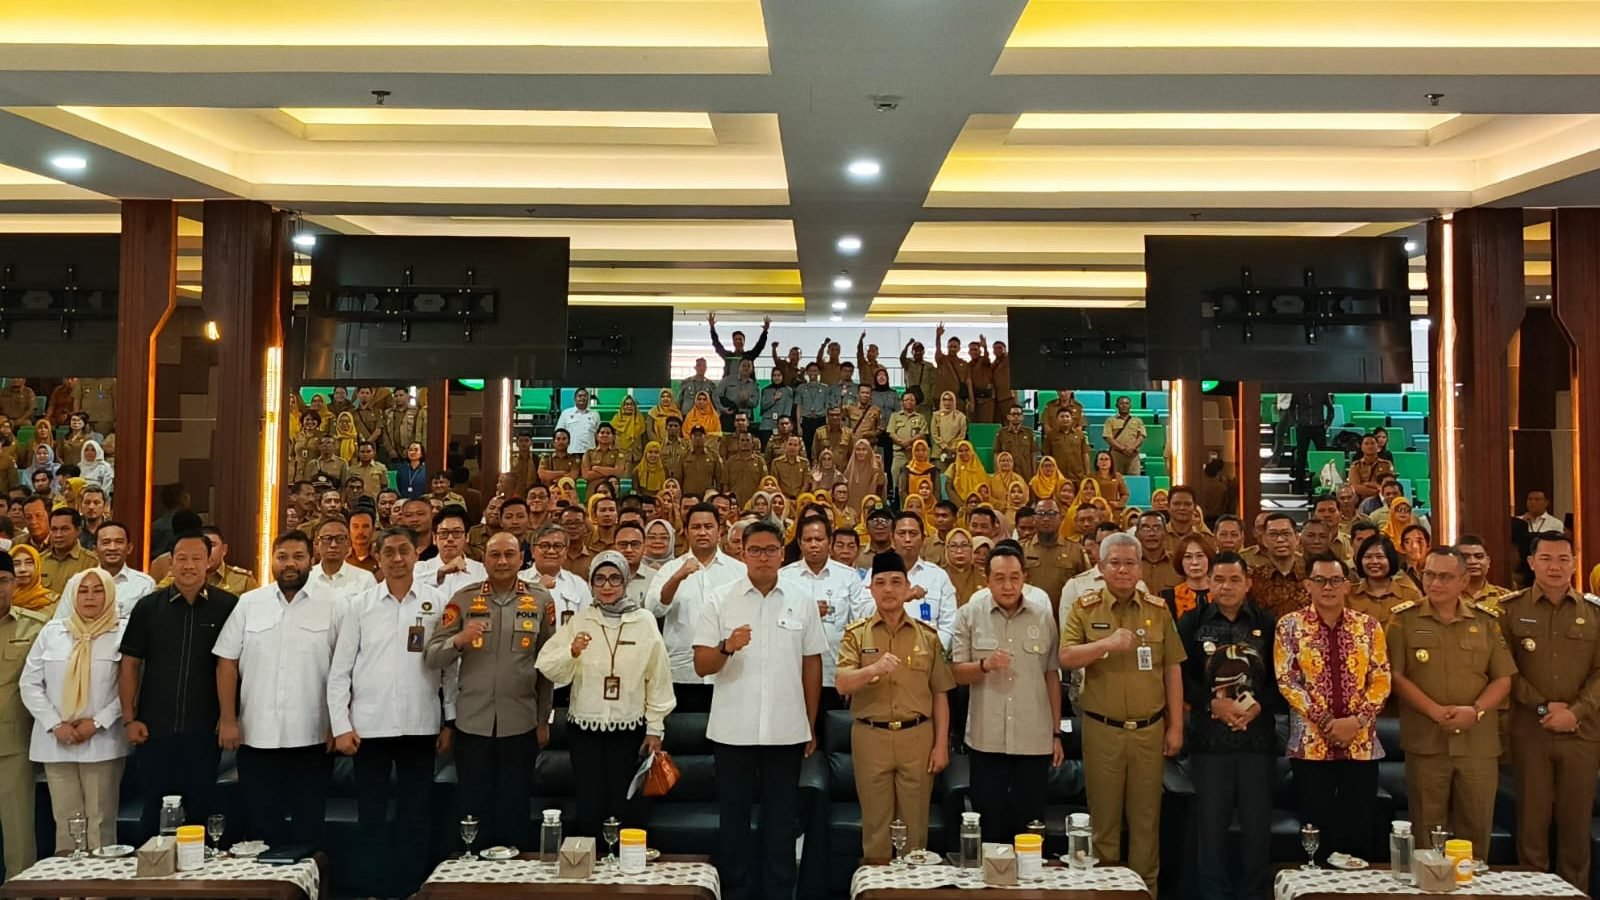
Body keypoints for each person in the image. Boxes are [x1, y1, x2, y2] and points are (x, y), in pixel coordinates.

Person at [692, 521, 823, 900]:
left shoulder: (801, 599)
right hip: (733, 731)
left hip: (786, 730)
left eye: (770, 550)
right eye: (755, 550)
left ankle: (780, 892)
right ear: (741, 553)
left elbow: (811, 664)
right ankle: (735, 891)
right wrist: (728, 646)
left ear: (783, 553)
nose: (763, 557)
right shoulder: (720, 598)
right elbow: (702, 664)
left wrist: (810, 725)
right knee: (734, 821)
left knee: (781, 823)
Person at [328, 525, 456, 899]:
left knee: (415, 814)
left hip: (421, 724)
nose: (398, 559)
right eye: (389, 553)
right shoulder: (359, 605)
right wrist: (340, 725)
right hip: (369, 726)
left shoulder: (437, 603)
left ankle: (413, 886)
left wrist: (449, 720)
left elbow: (449, 669)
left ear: (418, 554)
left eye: (404, 551)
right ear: (378, 558)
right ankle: (375, 887)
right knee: (371, 814)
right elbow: (340, 672)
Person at [1059, 532, 1185, 892]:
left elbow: (1172, 668)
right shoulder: (1085, 608)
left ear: (1140, 567)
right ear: (1100, 567)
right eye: (1115, 563)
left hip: (1150, 730)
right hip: (1103, 730)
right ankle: (1106, 893)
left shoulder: (1158, 611)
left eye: (1130, 563)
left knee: (1147, 824)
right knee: (1104, 827)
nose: (1123, 570)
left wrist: (1175, 727)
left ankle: (1146, 892)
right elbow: (1066, 657)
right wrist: (1105, 644)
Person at [425, 531, 554, 849]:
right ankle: (471, 874)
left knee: (515, 804)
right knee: (473, 804)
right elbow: (432, 654)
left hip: (521, 720)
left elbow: (548, 666)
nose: (502, 561)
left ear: (521, 558)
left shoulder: (540, 600)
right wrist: (459, 639)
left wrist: (542, 720)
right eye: (495, 554)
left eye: (509, 554)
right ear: (484, 559)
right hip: (473, 722)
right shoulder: (464, 599)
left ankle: (512, 881)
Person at [1387, 546, 1515, 860]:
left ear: (1463, 581)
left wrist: (1477, 710)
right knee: (1427, 833)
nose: (1436, 583)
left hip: (1478, 743)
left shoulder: (1486, 621)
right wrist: (1433, 710)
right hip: (1426, 742)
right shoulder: (1403, 620)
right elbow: (1395, 676)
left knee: (1475, 832)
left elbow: (1503, 678)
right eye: (1429, 574)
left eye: (1445, 576)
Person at [536, 550, 674, 837]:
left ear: (625, 582)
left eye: (614, 579)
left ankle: (624, 866)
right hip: (585, 726)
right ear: (591, 584)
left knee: (624, 800)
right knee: (589, 800)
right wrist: (571, 652)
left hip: (628, 725)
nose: (607, 586)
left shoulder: (645, 620)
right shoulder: (581, 619)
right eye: (600, 579)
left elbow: (658, 678)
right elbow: (548, 666)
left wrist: (655, 728)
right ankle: (590, 866)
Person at [214, 532, 337, 849]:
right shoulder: (249, 603)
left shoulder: (335, 605)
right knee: (261, 828)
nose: (290, 564)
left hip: (313, 737)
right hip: (256, 737)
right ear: (272, 561)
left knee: (310, 828)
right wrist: (228, 719)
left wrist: (339, 723)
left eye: (298, 556)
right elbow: (227, 662)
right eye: (282, 556)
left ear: (312, 559)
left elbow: (345, 669)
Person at [117, 531, 239, 839]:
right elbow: (130, 664)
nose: (188, 566)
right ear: (170, 562)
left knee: (201, 808)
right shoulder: (148, 607)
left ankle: (197, 884)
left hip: (204, 729)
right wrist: (129, 719)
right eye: (181, 559)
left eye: (197, 558)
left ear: (209, 562)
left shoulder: (228, 606)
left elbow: (235, 666)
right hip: (154, 728)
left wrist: (229, 718)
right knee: (154, 811)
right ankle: (152, 882)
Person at [1273, 553, 1391, 866]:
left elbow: (1381, 679)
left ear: (1347, 586)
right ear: (1307, 585)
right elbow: (1287, 681)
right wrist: (1327, 721)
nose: (1328, 587)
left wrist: (1356, 721)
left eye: (1336, 580)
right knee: (1315, 831)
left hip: (1361, 745)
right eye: (1321, 580)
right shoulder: (1290, 626)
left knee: (1359, 829)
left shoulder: (1368, 627)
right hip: (1311, 747)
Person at [836, 550, 954, 858]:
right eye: (881, 582)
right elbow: (842, 683)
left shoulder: (928, 637)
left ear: (907, 588)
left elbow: (941, 693)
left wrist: (941, 745)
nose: (889, 589)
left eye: (896, 582)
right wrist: (873, 669)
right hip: (870, 736)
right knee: (876, 828)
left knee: (915, 829)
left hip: (917, 737)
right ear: (871, 589)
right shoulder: (856, 635)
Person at [1500, 532, 1600, 889]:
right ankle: (1533, 893)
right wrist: (1542, 706)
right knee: (1532, 828)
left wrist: (1576, 712)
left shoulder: (1594, 612)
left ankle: (1576, 893)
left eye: (1563, 559)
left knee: (1575, 829)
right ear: (1531, 563)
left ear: (1574, 563)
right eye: (1546, 558)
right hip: (1531, 732)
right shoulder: (1510, 610)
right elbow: (1504, 668)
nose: (1555, 566)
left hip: (1582, 734)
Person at [1177, 552, 1276, 900]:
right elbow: (1179, 676)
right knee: (1210, 830)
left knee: (1256, 831)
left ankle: (1254, 894)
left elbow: (1281, 679)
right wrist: (1211, 703)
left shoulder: (1267, 621)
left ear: (1248, 583)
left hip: (1257, 740)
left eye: (1235, 579)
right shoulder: (1192, 622)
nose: (1227, 586)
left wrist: (1260, 704)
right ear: (1209, 583)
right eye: (1219, 579)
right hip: (1209, 742)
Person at [950, 543, 1061, 842]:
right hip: (987, 740)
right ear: (986, 579)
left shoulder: (1043, 616)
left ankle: (1028, 888)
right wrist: (984, 665)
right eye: (999, 578)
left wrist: (1056, 733)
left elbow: (1052, 676)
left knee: (1030, 827)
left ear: (1025, 577)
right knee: (991, 827)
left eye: (1014, 577)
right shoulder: (969, 615)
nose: (1008, 585)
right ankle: (991, 888)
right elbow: (956, 672)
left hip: (1034, 740)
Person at [19, 567, 127, 857]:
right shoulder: (53, 631)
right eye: (83, 590)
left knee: (100, 825)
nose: (90, 597)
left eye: (98, 590)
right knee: (65, 825)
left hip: (102, 743)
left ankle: (98, 891)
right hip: (56, 742)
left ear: (110, 594)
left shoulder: (122, 631)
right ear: (72, 594)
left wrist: (97, 722)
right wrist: (56, 725)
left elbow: (130, 688)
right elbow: (29, 683)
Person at [647, 504, 745, 683]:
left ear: (720, 530)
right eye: (696, 527)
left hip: (730, 671)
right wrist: (677, 578)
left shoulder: (739, 572)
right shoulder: (671, 569)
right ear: (685, 531)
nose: (702, 532)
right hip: (683, 672)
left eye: (708, 527)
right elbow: (654, 610)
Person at [781, 516, 863, 700]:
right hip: (795, 672)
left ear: (830, 542)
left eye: (819, 539)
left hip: (836, 670)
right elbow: (777, 621)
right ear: (800, 543)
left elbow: (857, 624)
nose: (814, 545)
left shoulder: (848, 577)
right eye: (808, 540)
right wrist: (808, 612)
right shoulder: (784, 577)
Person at [0, 551, 43, 877]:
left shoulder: (36, 627)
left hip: (12, 747)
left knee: (18, 836)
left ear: (14, 583)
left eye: (2, 580)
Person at [52, 521, 154, 621]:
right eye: (106, 542)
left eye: (119, 542)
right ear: (95, 550)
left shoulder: (144, 584)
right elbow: (59, 623)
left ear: (129, 548)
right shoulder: (77, 582)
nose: (112, 548)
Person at [1020, 499, 1089, 618]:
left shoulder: (1075, 550)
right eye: (1041, 514)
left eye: (1051, 514)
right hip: (1028, 616)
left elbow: (1085, 586)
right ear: (1034, 519)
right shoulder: (1021, 549)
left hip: (1065, 618)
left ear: (1061, 518)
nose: (1046, 519)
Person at [416, 506, 487, 599]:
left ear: (467, 537)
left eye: (456, 532)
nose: (450, 539)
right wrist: (442, 571)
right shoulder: (419, 569)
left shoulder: (481, 571)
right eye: (444, 533)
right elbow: (407, 586)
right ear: (434, 538)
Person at [1346, 535, 1419, 625]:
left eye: (1380, 556)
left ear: (1391, 559)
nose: (1374, 562)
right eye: (1368, 557)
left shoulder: (1410, 595)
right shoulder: (1348, 595)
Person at [1249, 513, 1308, 618]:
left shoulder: (1311, 574)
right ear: (1264, 540)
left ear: (1297, 538)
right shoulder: (1254, 579)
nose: (1280, 539)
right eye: (1273, 534)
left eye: (1286, 533)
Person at [39, 507, 93, 594]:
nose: (58, 535)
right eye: (54, 529)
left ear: (78, 531)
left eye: (64, 529)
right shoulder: (39, 561)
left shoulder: (91, 563)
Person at [1162, 533, 1213, 621]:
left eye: (1200, 556)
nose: (1194, 562)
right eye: (1188, 557)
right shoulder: (1169, 597)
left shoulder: (1222, 593)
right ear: (1180, 561)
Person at [1102, 395, 1147, 476]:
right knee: (1116, 479)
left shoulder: (1138, 420)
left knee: (1134, 480)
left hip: (1133, 455)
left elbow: (1141, 436)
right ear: (1117, 406)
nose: (1124, 405)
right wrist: (1122, 449)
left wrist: (1132, 447)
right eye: (1121, 403)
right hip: (1116, 455)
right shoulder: (1110, 420)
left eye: (1127, 403)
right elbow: (1108, 437)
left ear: (1130, 406)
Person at [1347, 435, 1396, 501]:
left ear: (1378, 447)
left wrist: (1369, 484)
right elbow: (1356, 487)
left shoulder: (1387, 464)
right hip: (1363, 500)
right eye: (1366, 444)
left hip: (1384, 500)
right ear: (1361, 447)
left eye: (1372, 443)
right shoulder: (1356, 466)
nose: (1369, 446)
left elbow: (1390, 484)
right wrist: (1378, 492)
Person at [556, 388, 602, 455]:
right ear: (575, 399)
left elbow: (598, 435)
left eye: (585, 396)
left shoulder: (595, 414)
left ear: (588, 399)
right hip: (571, 452)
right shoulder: (566, 413)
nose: (582, 398)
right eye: (580, 396)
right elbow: (558, 432)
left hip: (590, 453)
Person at [929, 391, 967, 467]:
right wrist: (944, 446)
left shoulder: (960, 416)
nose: (947, 402)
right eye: (945, 399)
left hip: (955, 452)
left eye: (950, 400)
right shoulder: (936, 415)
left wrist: (952, 447)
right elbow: (934, 434)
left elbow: (962, 434)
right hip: (939, 452)